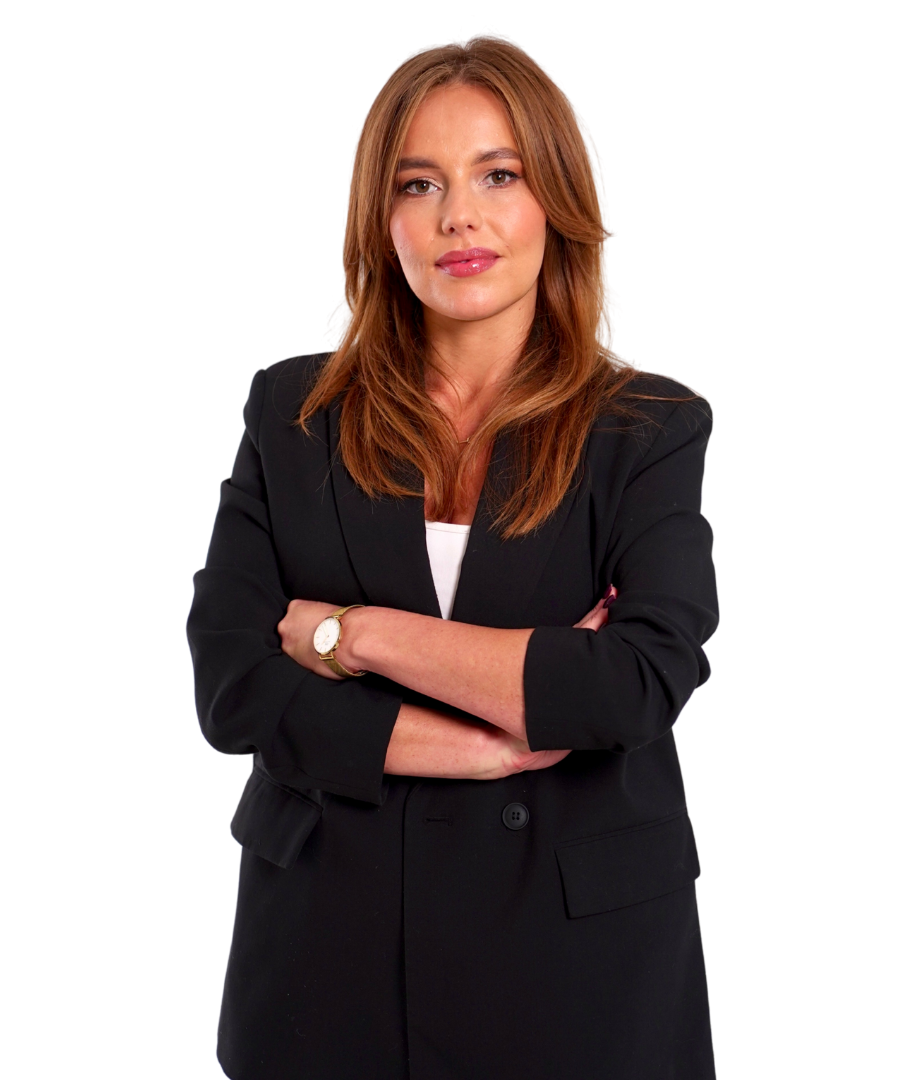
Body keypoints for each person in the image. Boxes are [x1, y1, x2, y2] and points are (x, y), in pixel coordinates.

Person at [186, 30, 720, 1080]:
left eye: (498, 175)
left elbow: (634, 681)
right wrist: (484, 741)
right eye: (418, 183)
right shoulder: (294, 412)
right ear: (379, 218)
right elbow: (233, 686)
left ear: (557, 199)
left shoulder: (648, 428)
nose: (457, 217)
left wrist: (353, 637)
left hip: (577, 978)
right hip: (326, 966)